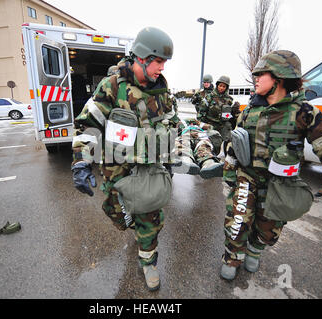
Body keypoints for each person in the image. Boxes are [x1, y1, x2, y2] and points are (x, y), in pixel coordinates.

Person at [220, 50, 322, 280]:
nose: (255, 79)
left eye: (260, 74)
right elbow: (236, 142)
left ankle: (255, 250)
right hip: (248, 176)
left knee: (269, 228)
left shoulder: (303, 112)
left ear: (278, 78)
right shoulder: (249, 111)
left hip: (280, 182)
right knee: (237, 221)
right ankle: (233, 258)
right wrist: (229, 171)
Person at [71, 26, 178, 291]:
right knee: (116, 212)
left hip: (149, 166)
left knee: (150, 217)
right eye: (158, 61)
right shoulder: (113, 86)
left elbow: (172, 121)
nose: (161, 68)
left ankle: (148, 259)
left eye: (164, 63)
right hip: (117, 167)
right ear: (141, 57)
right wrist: (82, 161)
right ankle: (134, 226)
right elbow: (88, 125)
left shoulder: (162, 89)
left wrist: (171, 154)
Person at [201, 75, 241, 148]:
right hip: (210, 124)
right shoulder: (210, 97)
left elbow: (230, 116)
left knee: (227, 142)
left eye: (224, 86)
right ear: (217, 85)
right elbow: (202, 111)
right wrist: (202, 125)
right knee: (212, 144)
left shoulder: (229, 99)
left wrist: (233, 110)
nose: (221, 88)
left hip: (223, 125)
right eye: (220, 86)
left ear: (226, 88)